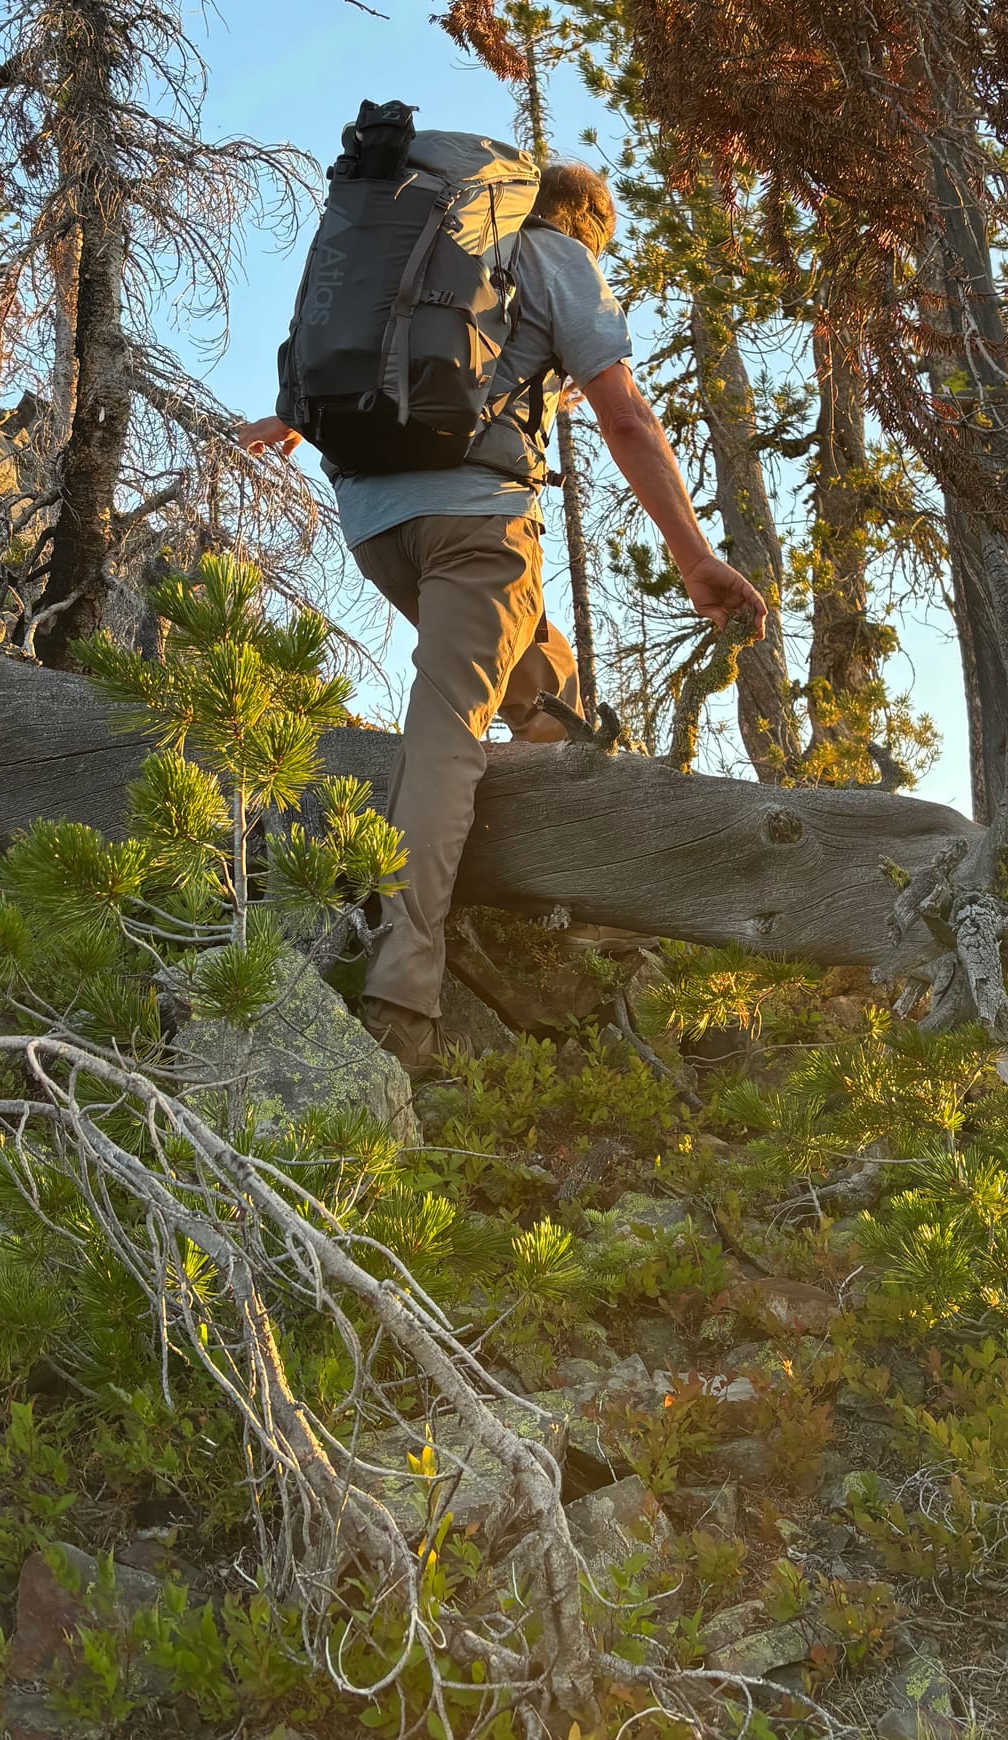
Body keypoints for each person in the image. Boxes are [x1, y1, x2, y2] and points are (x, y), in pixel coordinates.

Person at [237, 158, 767, 1074]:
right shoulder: (559, 255)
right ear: (588, 218)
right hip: (475, 520)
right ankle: (401, 999)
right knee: (447, 725)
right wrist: (695, 558)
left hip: (374, 522)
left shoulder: (434, 258)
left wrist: (283, 425)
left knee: (537, 674)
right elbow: (627, 418)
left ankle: (574, 883)